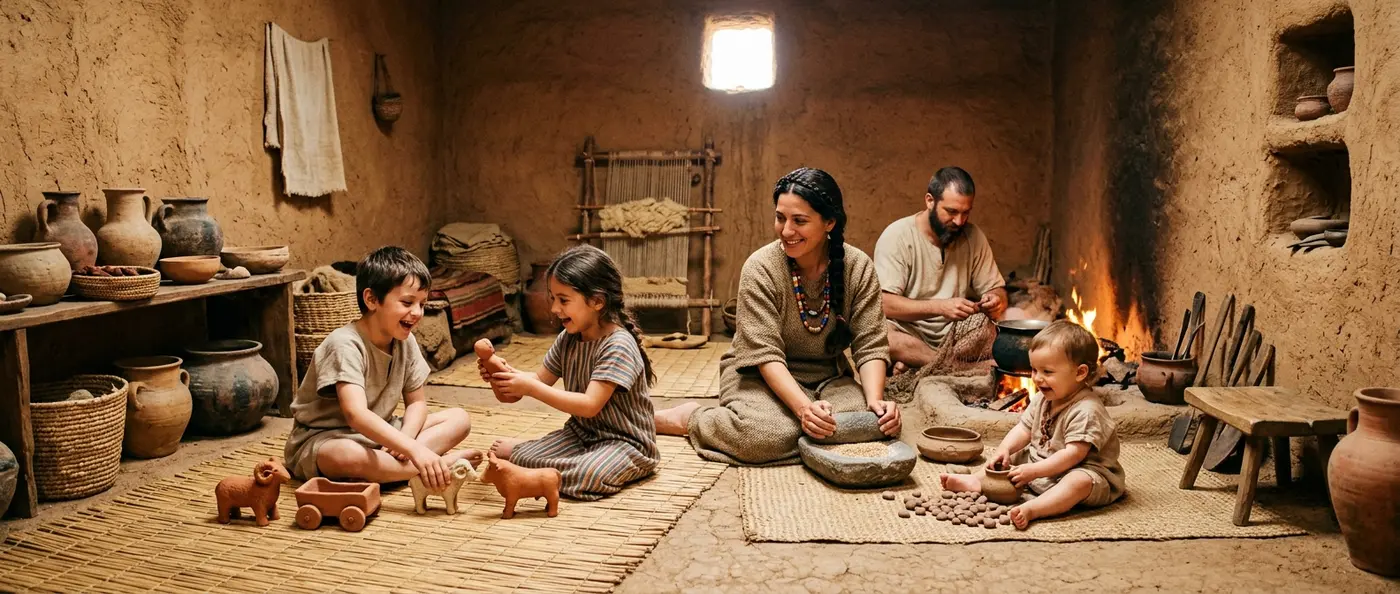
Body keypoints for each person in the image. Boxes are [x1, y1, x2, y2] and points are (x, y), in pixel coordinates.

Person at [654, 167, 899, 465]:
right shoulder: (760, 268)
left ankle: (801, 432)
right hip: (757, 375)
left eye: (799, 221)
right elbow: (765, 354)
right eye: (780, 218)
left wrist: (875, 404)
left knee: (864, 427)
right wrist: (804, 410)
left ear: (829, 222)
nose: (786, 230)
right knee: (762, 437)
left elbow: (870, 344)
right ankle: (691, 417)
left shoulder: (858, 267)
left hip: (828, 378)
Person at [284, 247, 476, 490]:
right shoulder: (344, 344)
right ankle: (434, 466)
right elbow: (356, 415)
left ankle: (396, 468)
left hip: (382, 434)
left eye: (422, 304)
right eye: (407, 302)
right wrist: (414, 450)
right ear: (372, 299)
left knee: (459, 419)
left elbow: (417, 403)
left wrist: (405, 439)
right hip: (328, 438)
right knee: (346, 455)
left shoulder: (405, 341)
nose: (417, 313)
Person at [482, 245, 660, 500]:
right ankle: (535, 467)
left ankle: (536, 475)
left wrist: (530, 387)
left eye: (563, 300)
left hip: (625, 444)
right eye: (553, 298)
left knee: (589, 475)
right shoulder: (568, 338)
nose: (555, 309)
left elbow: (589, 405)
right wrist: (503, 375)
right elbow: (537, 381)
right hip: (579, 434)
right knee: (522, 456)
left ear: (597, 301)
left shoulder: (618, 345)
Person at [939, 320, 1125, 529]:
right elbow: (1024, 429)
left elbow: (1073, 455)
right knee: (1015, 456)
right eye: (1034, 370)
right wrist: (1004, 449)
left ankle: (1035, 508)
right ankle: (976, 480)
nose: (1037, 378)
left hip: (1082, 470)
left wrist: (1034, 471)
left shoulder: (1087, 411)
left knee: (1078, 482)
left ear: (1080, 373)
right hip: (1044, 460)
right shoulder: (1043, 398)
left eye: (1047, 372)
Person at [874, 166, 1008, 371]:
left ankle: (919, 363)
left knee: (993, 330)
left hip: (955, 337)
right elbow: (885, 304)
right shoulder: (897, 236)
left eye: (966, 213)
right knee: (880, 337)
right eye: (951, 211)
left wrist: (996, 300)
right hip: (908, 332)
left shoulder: (973, 236)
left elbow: (998, 290)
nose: (959, 221)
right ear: (930, 201)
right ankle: (957, 367)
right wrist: (940, 308)